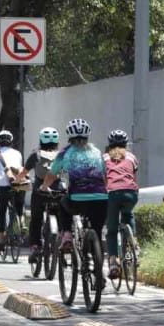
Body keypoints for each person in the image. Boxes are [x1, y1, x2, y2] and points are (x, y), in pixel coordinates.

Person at [40, 119, 108, 266]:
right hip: (102, 199)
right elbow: (105, 175)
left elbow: (52, 174)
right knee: (96, 230)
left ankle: (67, 235)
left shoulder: (65, 153)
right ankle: (99, 272)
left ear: (69, 137)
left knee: (63, 203)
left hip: (77, 199)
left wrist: (44, 187)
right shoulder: (97, 152)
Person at [103, 129, 140, 280]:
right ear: (126, 144)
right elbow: (133, 177)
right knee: (128, 214)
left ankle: (113, 263)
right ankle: (134, 244)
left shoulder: (104, 158)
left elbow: (104, 179)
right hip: (131, 193)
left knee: (111, 231)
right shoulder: (132, 157)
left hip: (112, 194)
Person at [25, 127, 63, 262]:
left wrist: (17, 181)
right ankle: (63, 242)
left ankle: (35, 247)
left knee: (36, 219)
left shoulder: (35, 154)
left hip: (40, 191)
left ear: (41, 140)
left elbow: (23, 173)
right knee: (62, 217)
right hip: (57, 191)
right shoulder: (61, 155)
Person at [0, 130, 26, 252]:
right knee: (19, 206)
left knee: (1, 212)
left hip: (3, 186)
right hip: (18, 184)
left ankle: (1, 241)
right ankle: (22, 224)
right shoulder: (18, 154)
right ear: (11, 142)